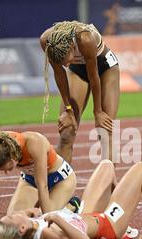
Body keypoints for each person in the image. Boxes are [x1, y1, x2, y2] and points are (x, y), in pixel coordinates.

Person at [0, 160, 142, 239]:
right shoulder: (47, 233)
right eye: (14, 217)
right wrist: (56, 218)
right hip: (107, 224)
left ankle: (120, 205)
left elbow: (34, 221)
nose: (16, 213)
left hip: (87, 215)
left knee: (106, 165)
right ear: (21, 229)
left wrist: (32, 214)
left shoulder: (34, 227)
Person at [0, 131, 76, 235]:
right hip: (30, 180)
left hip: (61, 179)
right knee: (12, 224)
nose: (6, 172)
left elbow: (42, 185)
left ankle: (71, 206)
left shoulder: (35, 142)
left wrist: (45, 223)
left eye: (8, 168)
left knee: (45, 223)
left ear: (13, 160)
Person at [40, 20, 120, 163]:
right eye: (63, 63)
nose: (65, 65)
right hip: (78, 71)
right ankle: (62, 183)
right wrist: (68, 110)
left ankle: (110, 184)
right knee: (67, 132)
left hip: (104, 68)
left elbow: (94, 76)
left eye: (66, 60)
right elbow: (59, 74)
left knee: (105, 131)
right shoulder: (47, 42)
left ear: (71, 47)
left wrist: (98, 111)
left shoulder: (85, 39)